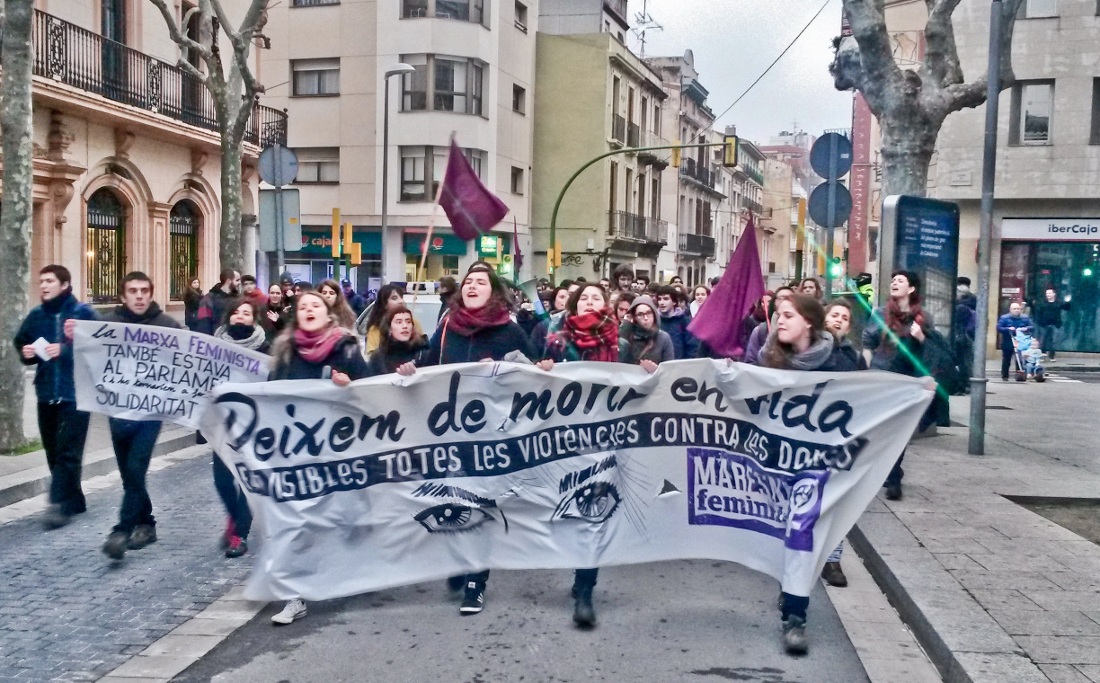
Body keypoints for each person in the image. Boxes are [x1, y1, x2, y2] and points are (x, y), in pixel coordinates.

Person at [401, 264, 537, 617]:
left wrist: (504, 372)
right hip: (450, 430)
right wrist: (412, 370)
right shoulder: (448, 325)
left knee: (480, 503)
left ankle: (477, 582)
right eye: (468, 282)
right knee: (454, 501)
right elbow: (431, 364)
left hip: (492, 434)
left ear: (493, 290)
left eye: (480, 281)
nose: (472, 286)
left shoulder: (509, 330)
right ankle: (461, 561)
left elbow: (531, 374)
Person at [757, 294, 860, 655]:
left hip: (819, 465)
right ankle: (789, 590)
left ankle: (796, 620)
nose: (779, 321)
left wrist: (916, 393)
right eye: (778, 315)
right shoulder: (768, 359)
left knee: (800, 530)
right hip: (774, 463)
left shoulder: (842, 362)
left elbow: (868, 402)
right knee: (779, 533)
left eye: (787, 315)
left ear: (809, 324)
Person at [268, 289, 372, 625]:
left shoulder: (346, 347)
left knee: (343, 518)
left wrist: (349, 383)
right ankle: (295, 596)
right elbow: (269, 396)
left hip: (340, 450)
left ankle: (355, 563)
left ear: (329, 314)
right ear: (296, 314)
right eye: (303, 306)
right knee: (297, 522)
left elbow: (371, 389)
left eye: (316, 305)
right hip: (299, 449)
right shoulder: (285, 352)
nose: (309, 309)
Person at [100, 272, 183, 561]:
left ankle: (121, 531)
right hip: (117, 412)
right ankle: (147, 524)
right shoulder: (106, 325)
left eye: (144, 290)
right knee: (129, 475)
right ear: (123, 296)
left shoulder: (168, 326)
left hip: (150, 414)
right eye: (132, 290)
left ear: (151, 293)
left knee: (136, 469)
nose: (138, 295)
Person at [13, 265, 99, 530]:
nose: (44, 285)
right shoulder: (36, 315)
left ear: (64, 285)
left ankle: (57, 502)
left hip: (76, 394)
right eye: (41, 281)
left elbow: (99, 347)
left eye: (49, 281)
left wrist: (65, 349)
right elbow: (21, 342)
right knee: (53, 451)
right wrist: (26, 353)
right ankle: (75, 498)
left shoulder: (82, 312)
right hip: (46, 392)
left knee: (68, 452)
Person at [862, 271, 930, 501]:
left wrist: (920, 337)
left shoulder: (921, 317)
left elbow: (929, 355)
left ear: (911, 289)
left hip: (907, 382)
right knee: (881, 430)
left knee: (899, 431)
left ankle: (893, 477)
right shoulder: (880, 313)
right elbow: (867, 345)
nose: (894, 283)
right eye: (893, 280)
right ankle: (891, 472)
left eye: (900, 281)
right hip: (881, 379)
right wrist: (866, 376)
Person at [211, 299, 270, 558]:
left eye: (246, 313)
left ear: (254, 320)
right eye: (235, 312)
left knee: (247, 480)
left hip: (254, 425)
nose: (240, 317)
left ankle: (239, 535)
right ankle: (234, 518)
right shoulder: (213, 348)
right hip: (222, 423)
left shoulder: (266, 349)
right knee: (222, 480)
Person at [818, 299, 868, 589]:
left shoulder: (853, 356)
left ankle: (833, 559)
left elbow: (866, 390)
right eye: (834, 315)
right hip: (807, 436)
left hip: (840, 437)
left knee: (837, 499)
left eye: (844, 317)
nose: (838, 320)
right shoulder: (809, 351)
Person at [367, 306, 429, 375]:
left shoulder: (422, 352)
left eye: (408, 322)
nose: (405, 326)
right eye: (399, 322)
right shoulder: (378, 357)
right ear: (389, 329)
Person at [364, 284, 423, 354]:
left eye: (401, 297)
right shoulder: (375, 329)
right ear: (385, 304)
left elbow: (422, 350)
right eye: (394, 298)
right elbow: (372, 356)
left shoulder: (414, 323)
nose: (400, 301)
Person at [743, 287, 794, 365]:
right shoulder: (760, 330)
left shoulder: (803, 331)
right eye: (781, 298)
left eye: (789, 298)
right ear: (775, 302)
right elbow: (750, 363)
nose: (785, 301)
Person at [618, 296, 674, 366]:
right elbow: (618, 365)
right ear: (634, 317)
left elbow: (669, 369)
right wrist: (625, 327)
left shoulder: (663, 338)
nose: (646, 318)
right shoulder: (627, 335)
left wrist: (656, 370)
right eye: (640, 314)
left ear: (654, 314)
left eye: (649, 313)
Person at [654, 285, 697, 359]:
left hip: (679, 365)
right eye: (659, 299)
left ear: (674, 302)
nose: (662, 302)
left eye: (666, 299)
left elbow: (692, 346)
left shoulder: (684, 321)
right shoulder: (654, 320)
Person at [195, 269, 241, 335]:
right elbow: (203, 324)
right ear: (228, 281)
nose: (240, 283)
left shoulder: (239, 298)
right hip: (216, 340)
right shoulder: (208, 299)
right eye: (237, 280)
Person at [996, 301, 1033, 382]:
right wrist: (1008, 329)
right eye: (1014, 309)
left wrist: (1025, 329)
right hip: (1008, 341)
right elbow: (999, 328)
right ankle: (1005, 375)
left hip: (1021, 341)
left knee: (1020, 359)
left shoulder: (1025, 318)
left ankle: (1020, 374)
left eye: (1018, 309)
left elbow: (1031, 326)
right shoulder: (1004, 318)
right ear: (1010, 310)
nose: (1017, 310)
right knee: (1006, 359)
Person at [1033, 287, 1069, 361]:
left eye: (1049, 293)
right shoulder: (1043, 303)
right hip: (1044, 324)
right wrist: (1040, 322)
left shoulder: (1058, 302)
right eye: (1047, 293)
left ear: (1054, 294)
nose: (1048, 295)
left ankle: (1052, 356)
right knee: (1043, 340)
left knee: (1053, 340)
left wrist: (1067, 302)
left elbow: (1066, 308)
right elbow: (1038, 313)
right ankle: (1043, 354)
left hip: (1055, 324)